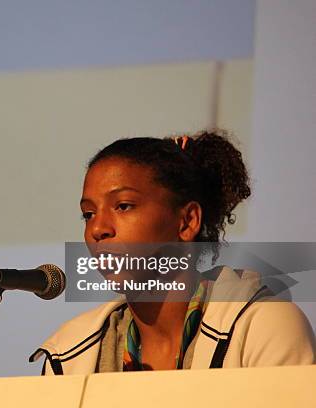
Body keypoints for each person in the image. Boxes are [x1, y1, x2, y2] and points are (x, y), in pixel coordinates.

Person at [30, 130, 315, 374]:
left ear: (187, 221)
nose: (97, 229)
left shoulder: (262, 327)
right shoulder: (69, 355)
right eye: (88, 214)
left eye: (123, 206)